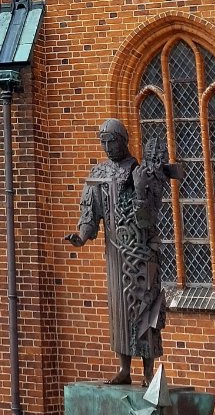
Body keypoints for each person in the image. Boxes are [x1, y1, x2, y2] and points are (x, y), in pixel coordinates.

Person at [65, 118, 181, 386]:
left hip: (141, 253)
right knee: (119, 311)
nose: (107, 147)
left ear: (123, 140)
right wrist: (81, 236)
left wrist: (141, 187)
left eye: (112, 141)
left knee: (145, 311)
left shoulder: (140, 170)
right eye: (103, 142)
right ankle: (124, 368)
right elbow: (90, 211)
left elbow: (149, 214)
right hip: (116, 255)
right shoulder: (100, 174)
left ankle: (148, 371)